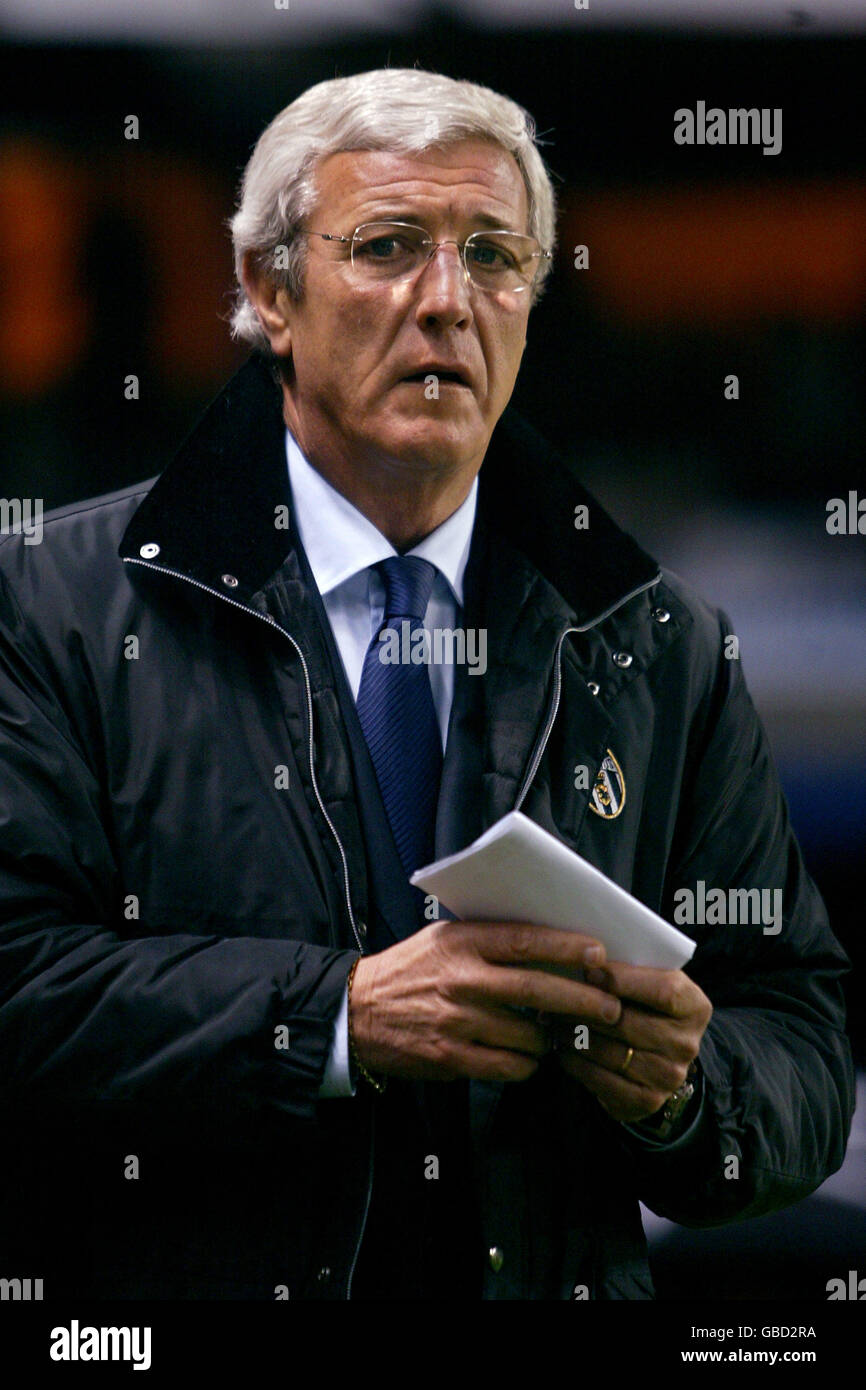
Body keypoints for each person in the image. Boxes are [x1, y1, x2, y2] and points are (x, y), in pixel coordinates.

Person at [0, 68, 854, 1302]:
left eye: (495, 257)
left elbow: (802, 1047)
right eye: (389, 245)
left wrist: (682, 1088)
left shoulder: (655, 641)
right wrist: (335, 1020)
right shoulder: (52, 605)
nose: (447, 301)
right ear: (266, 290)